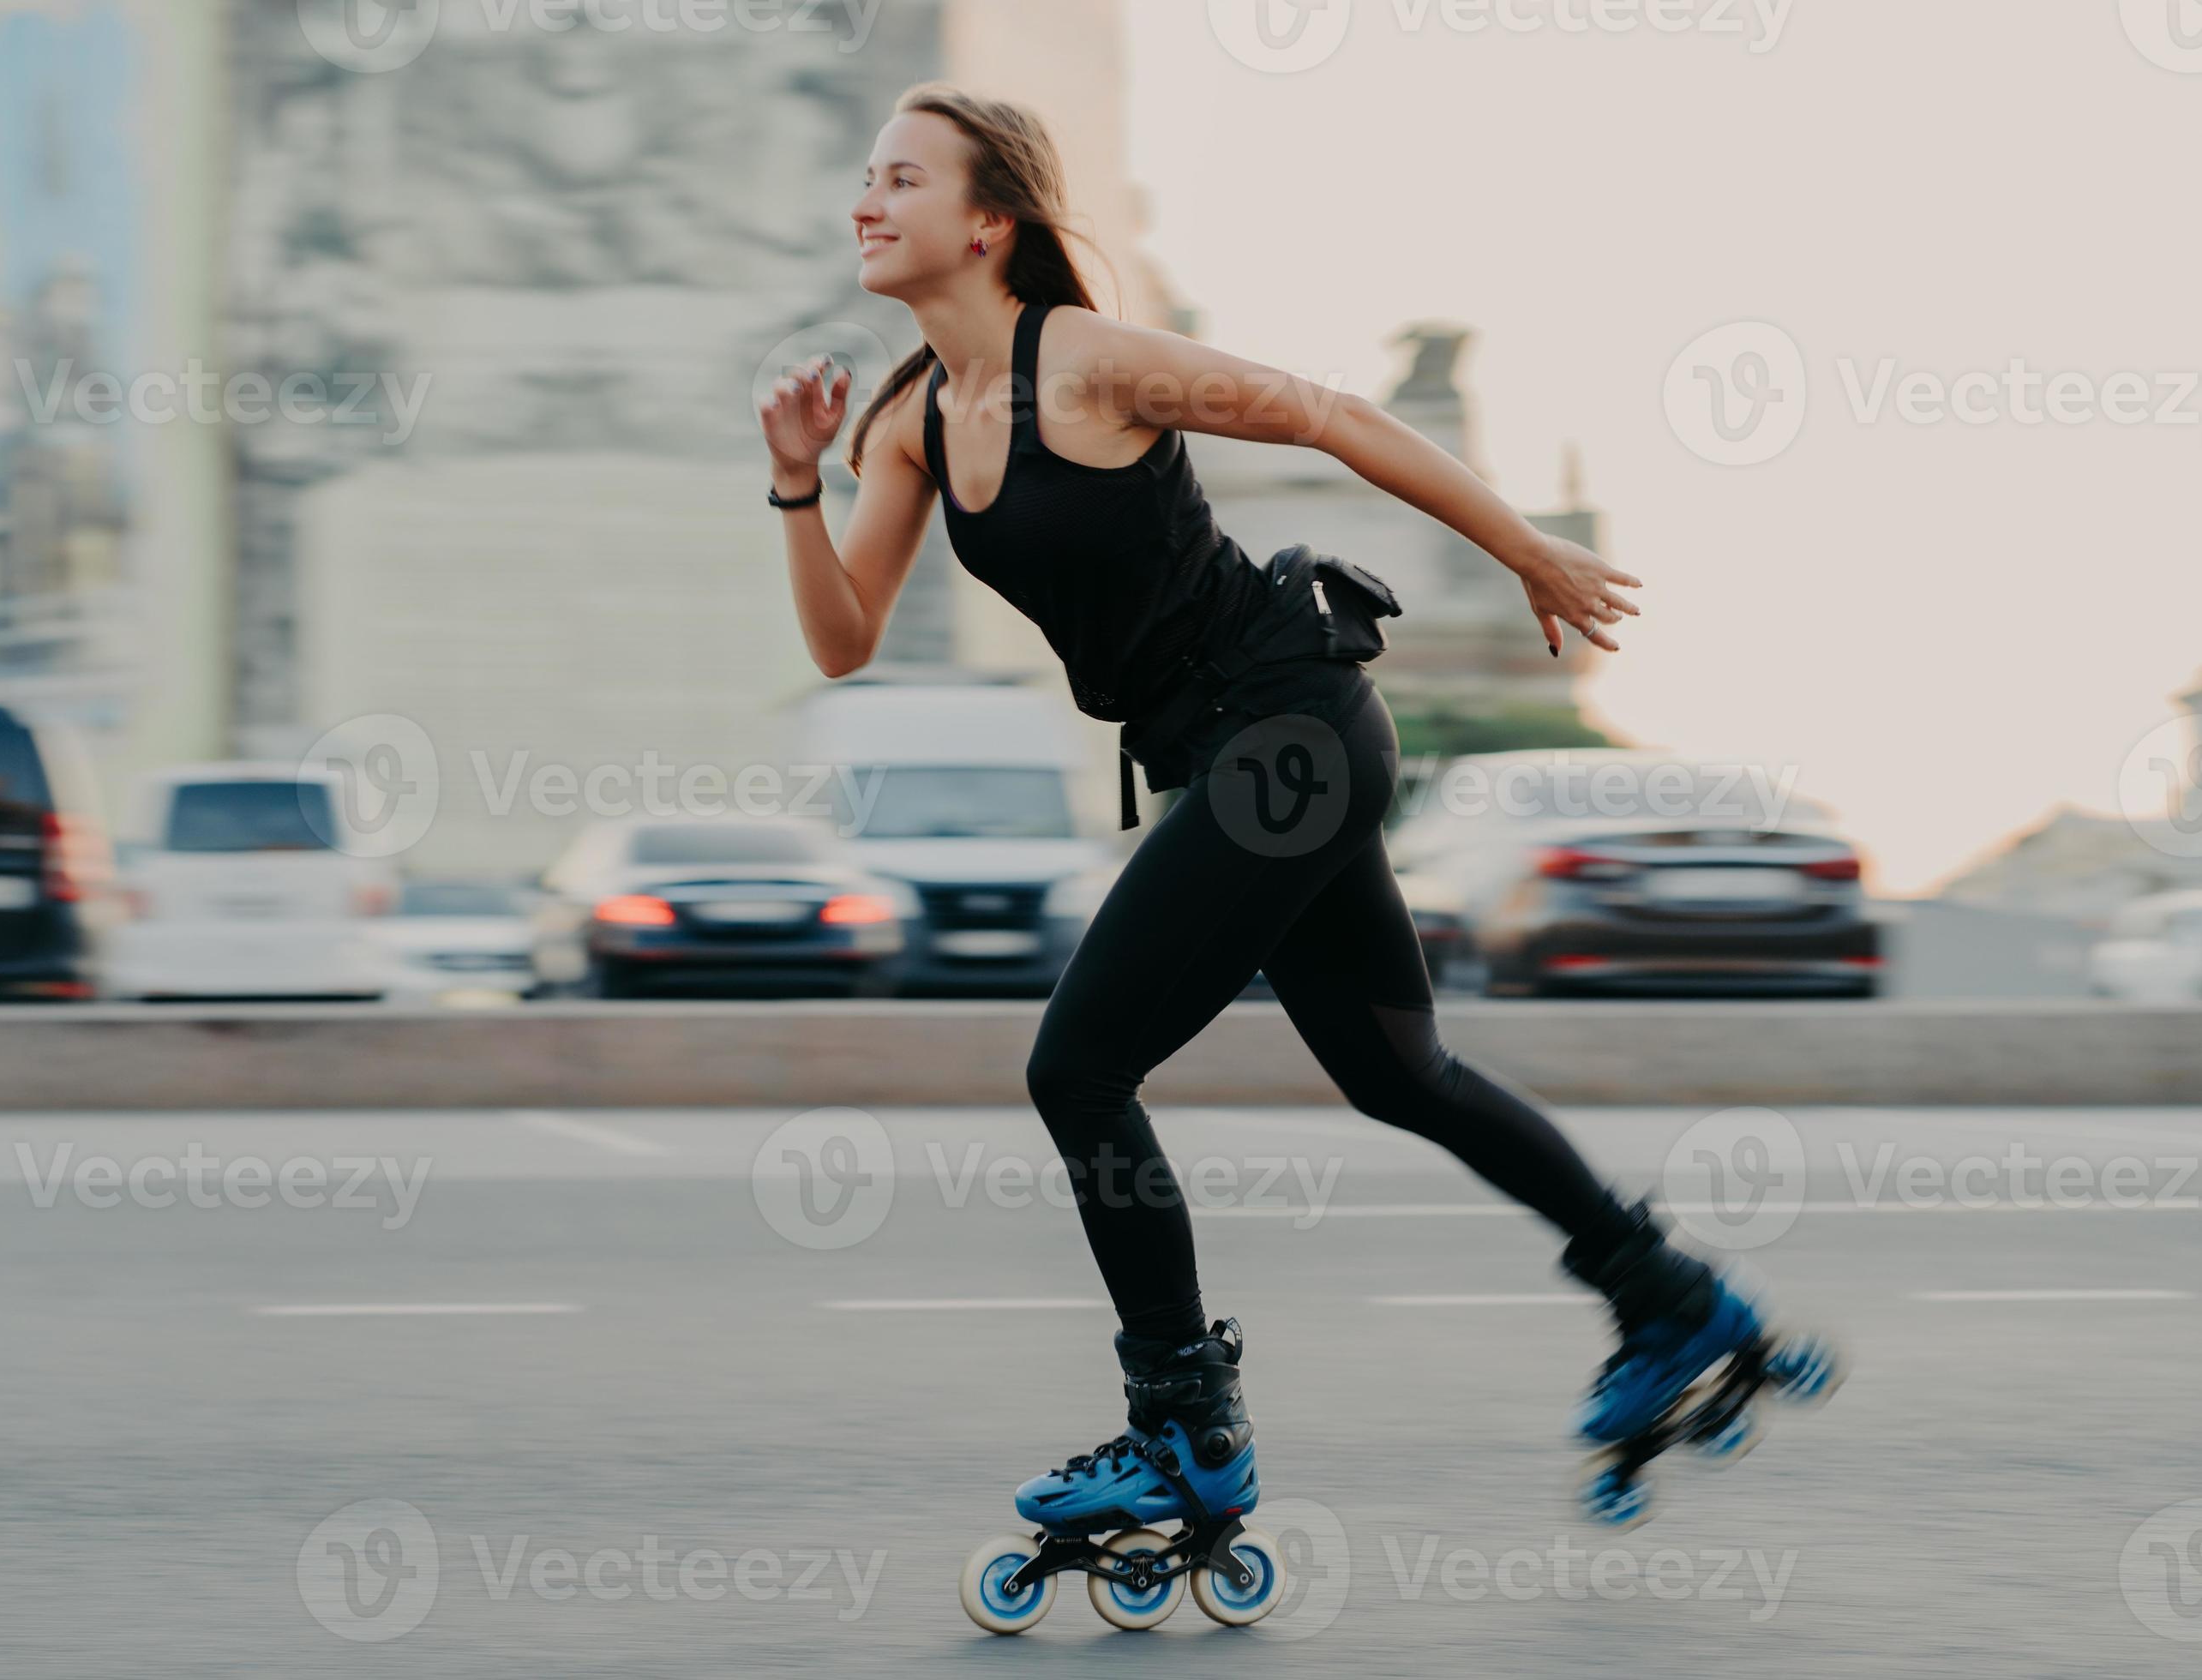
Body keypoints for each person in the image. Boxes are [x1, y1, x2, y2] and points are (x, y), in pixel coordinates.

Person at [754, 82, 1781, 1539]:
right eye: (866, 177)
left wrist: (1527, 552)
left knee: (1078, 1068)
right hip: (1241, 754)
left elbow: (1331, 416)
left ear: (988, 224)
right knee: (1399, 1071)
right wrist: (797, 484)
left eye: (900, 179)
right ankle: (1670, 1301)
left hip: (1290, 720)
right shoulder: (912, 423)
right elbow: (846, 637)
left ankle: (1181, 1426)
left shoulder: (1093, 362)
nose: (866, 200)